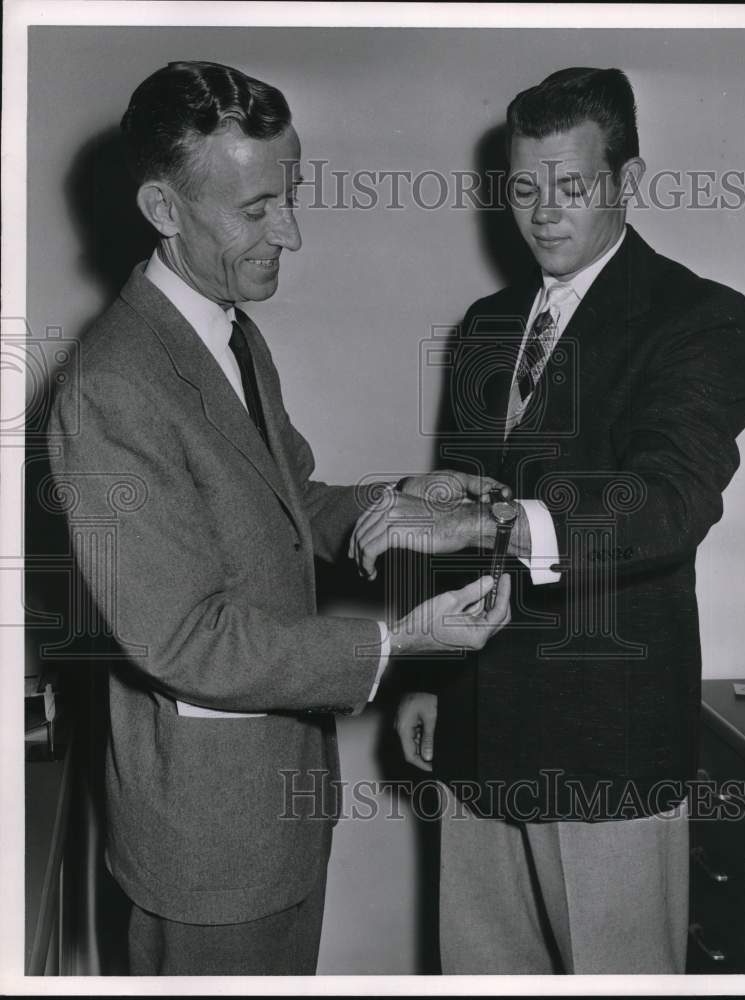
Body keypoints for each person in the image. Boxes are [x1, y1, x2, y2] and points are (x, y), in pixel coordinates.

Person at [46, 60, 511, 976]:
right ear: (163, 210)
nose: (289, 233)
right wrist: (393, 646)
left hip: (278, 813)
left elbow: (286, 501)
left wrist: (401, 502)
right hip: (207, 852)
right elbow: (184, 640)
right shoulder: (112, 387)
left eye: (289, 198)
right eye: (255, 211)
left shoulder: (227, 331)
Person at [351, 67, 745, 973]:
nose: (541, 213)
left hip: (607, 746)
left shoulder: (701, 319)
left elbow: (668, 500)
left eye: (570, 187)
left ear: (629, 180)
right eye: (523, 188)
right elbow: (453, 497)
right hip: (478, 736)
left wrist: (493, 532)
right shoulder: (488, 325)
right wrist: (429, 676)